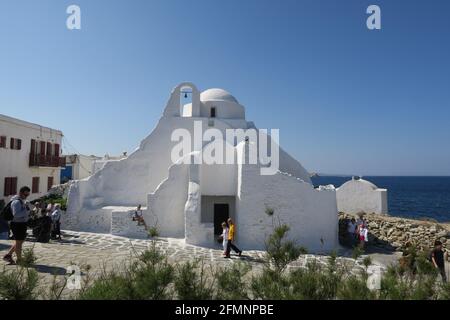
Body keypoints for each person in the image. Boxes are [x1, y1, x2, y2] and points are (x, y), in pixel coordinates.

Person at [2, 186, 31, 264]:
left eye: (28, 195)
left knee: (20, 241)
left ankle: (8, 255)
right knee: (19, 243)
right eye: (25, 195)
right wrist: (26, 211)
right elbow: (16, 214)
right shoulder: (16, 202)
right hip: (17, 224)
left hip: (21, 224)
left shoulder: (21, 201)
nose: (26, 196)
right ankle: (19, 260)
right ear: (20, 193)